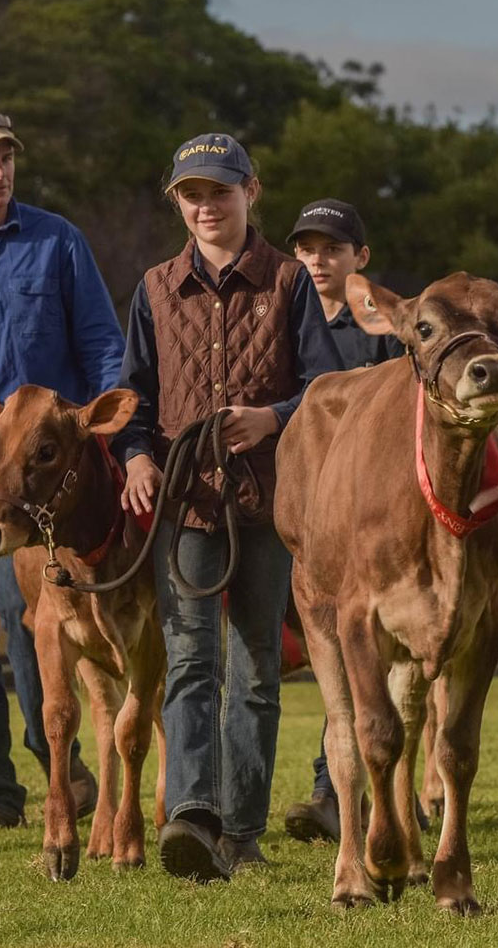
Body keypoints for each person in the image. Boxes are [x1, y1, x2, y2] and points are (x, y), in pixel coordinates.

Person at [112, 134, 341, 881]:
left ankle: (241, 832)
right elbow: (133, 398)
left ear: (252, 191)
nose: (206, 206)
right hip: (187, 503)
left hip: (271, 503)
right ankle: (192, 816)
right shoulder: (153, 287)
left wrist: (273, 418)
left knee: (256, 669)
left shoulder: (289, 281)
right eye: (191, 195)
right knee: (188, 664)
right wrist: (136, 454)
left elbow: (325, 386)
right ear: (177, 203)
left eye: (219, 191)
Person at [0, 108, 124, 829]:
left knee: (31, 623)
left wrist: (113, 442)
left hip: (38, 483)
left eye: (5, 157)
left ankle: (59, 767)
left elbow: (103, 345)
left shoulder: (58, 240)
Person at [279, 198, 402, 844]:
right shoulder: (287, 320)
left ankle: (337, 794)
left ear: (362, 259)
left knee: (362, 659)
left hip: (374, 522)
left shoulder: (381, 331)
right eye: (305, 249)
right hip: (298, 512)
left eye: (331, 248)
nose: (317, 260)